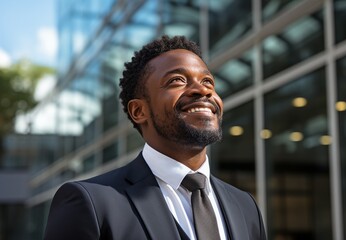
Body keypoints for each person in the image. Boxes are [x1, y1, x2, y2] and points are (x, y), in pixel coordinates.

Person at [44, 35, 267, 240]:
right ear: (139, 111)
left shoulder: (245, 206)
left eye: (208, 81)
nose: (202, 90)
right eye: (177, 80)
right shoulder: (90, 203)